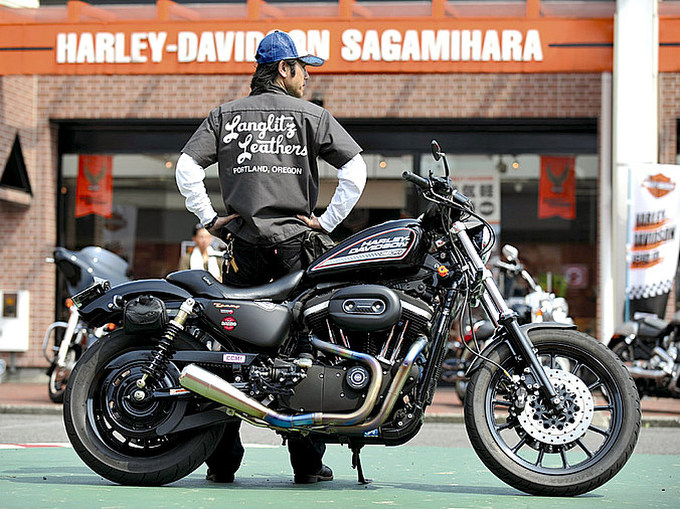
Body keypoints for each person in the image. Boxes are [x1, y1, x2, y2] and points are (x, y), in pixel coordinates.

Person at [175, 30, 367, 484]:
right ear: (284, 69)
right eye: (303, 69)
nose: (307, 78)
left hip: (243, 251)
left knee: (230, 351)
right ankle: (307, 464)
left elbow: (186, 167)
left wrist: (209, 218)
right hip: (296, 252)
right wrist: (327, 222)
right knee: (304, 350)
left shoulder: (226, 115)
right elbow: (356, 169)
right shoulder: (312, 116)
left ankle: (222, 461)